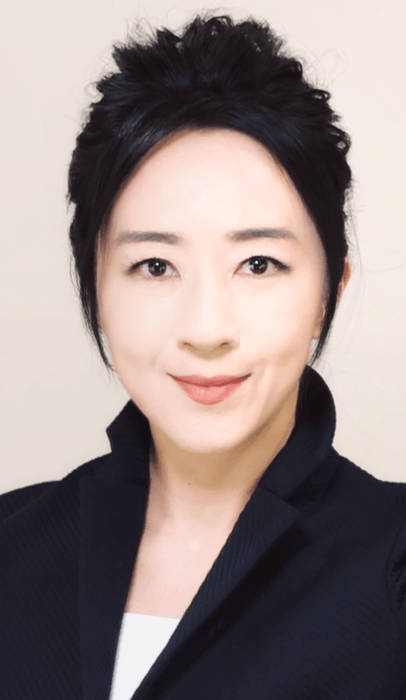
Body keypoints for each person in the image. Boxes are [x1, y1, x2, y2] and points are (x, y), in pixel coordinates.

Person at [1, 12, 405, 700]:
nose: (206, 328)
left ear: (329, 291)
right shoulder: (13, 546)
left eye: (258, 264)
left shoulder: (392, 570)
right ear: (94, 287)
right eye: (155, 266)